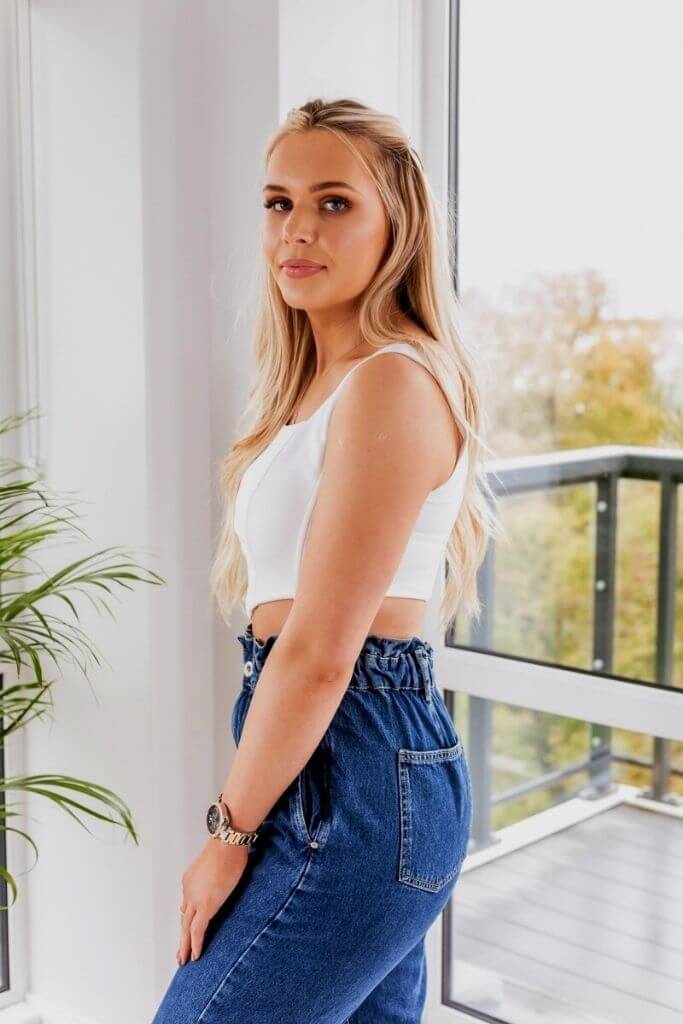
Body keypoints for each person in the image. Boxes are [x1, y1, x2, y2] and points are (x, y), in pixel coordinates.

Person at [152, 97, 497, 1024]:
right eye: (278, 202)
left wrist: (226, 835)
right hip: (344, 764)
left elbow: (318, 652)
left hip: (352, 765)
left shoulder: (391, 379)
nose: (296, 229)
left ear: (397, 224)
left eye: (334, 202)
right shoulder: (324, 382)